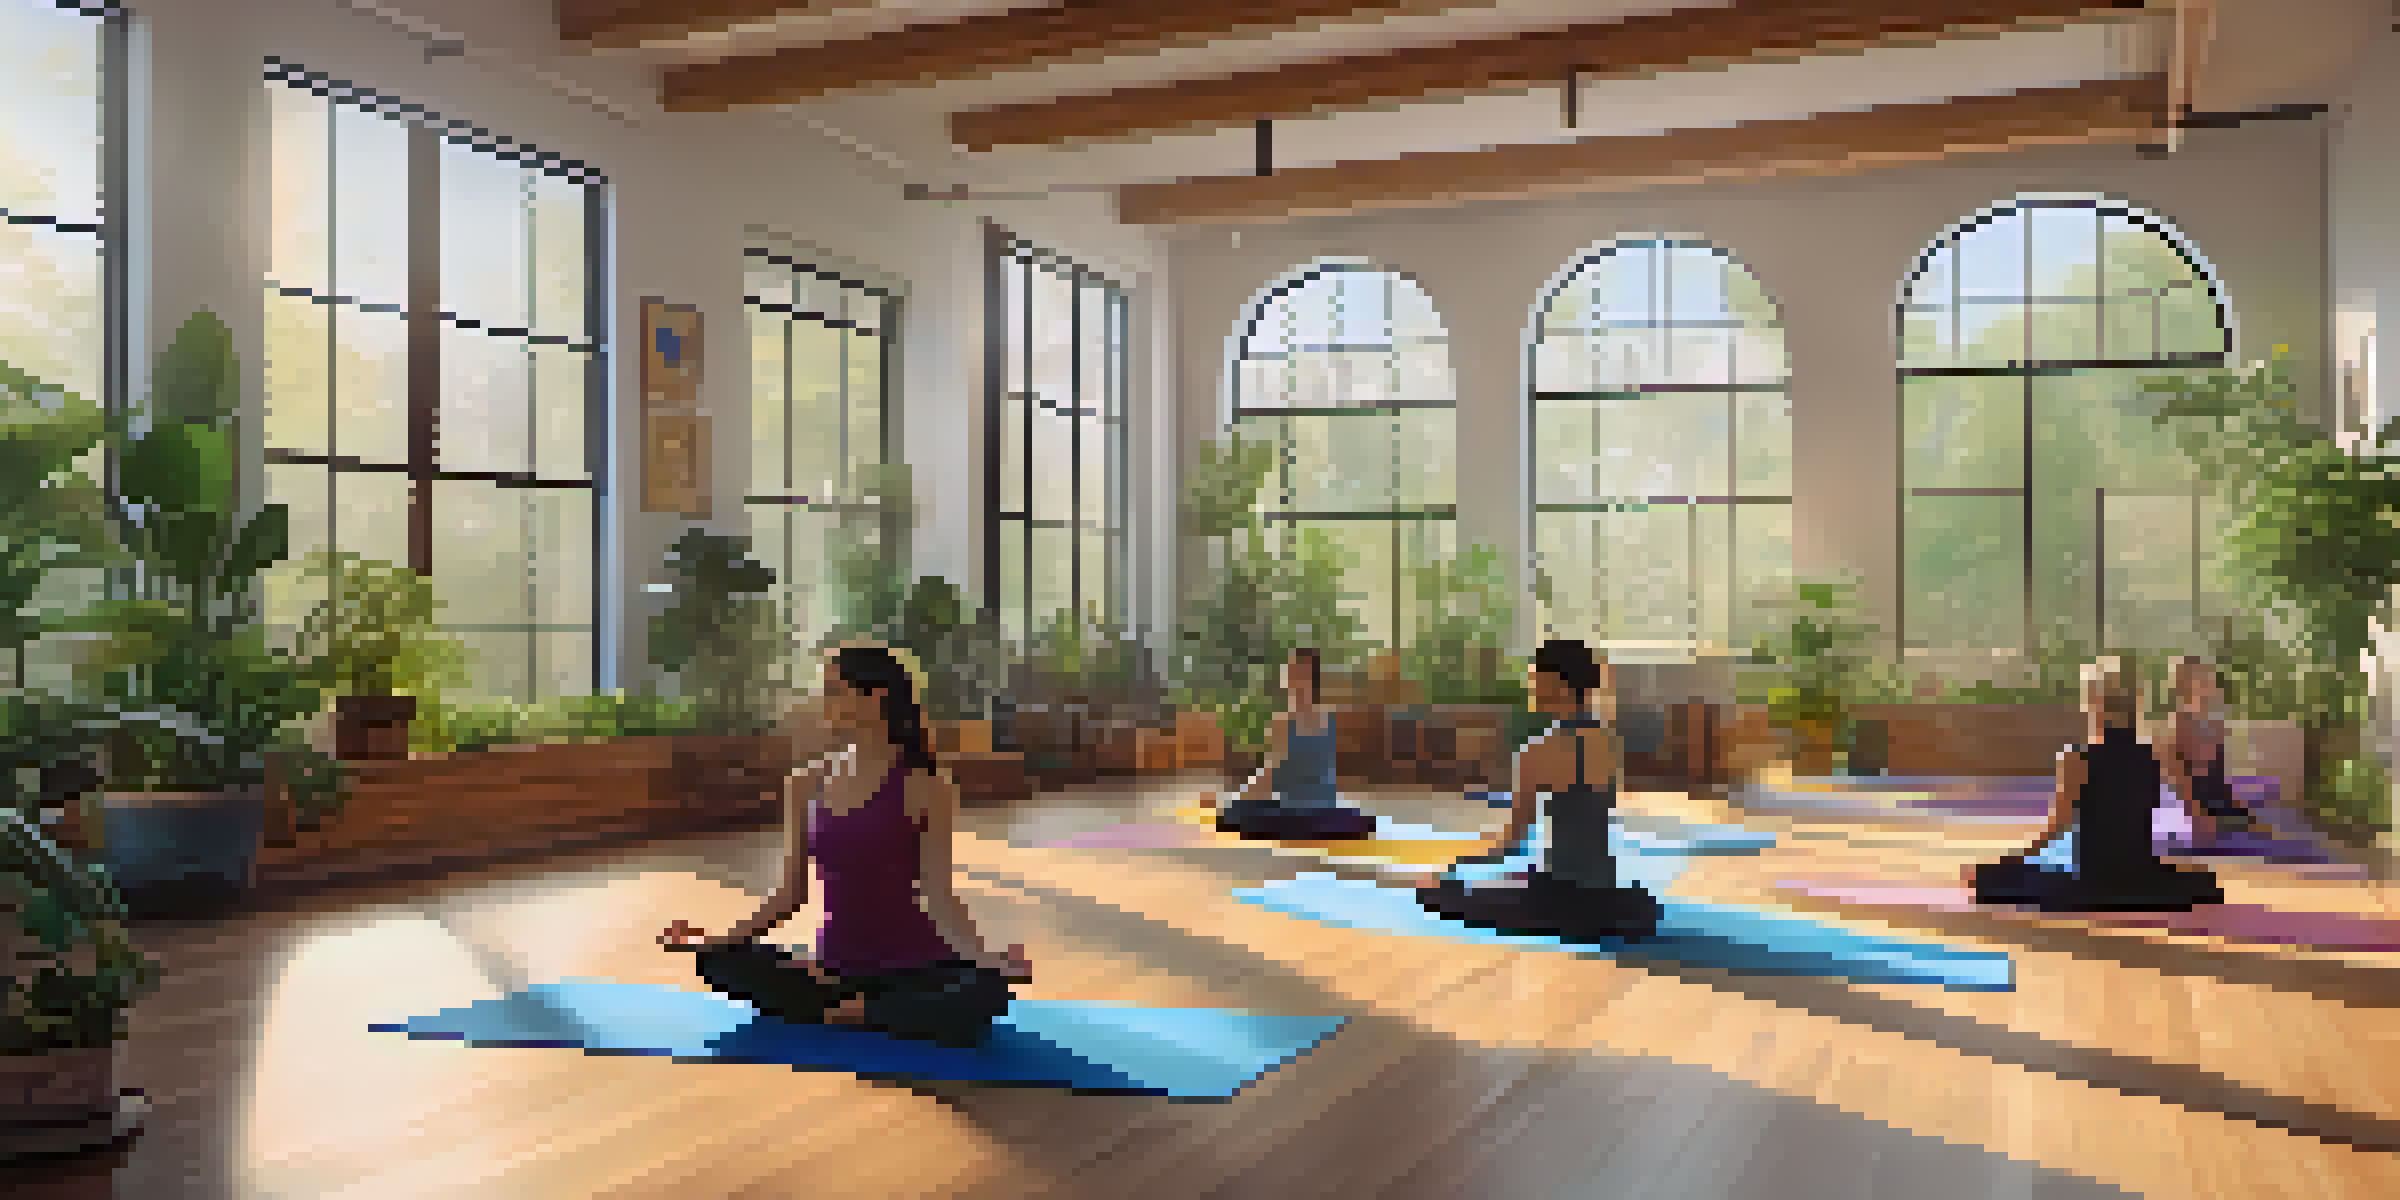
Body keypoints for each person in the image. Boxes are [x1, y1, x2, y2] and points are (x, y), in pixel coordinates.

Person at [659, 642, 1032, 1049]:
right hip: (832, 967)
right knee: (718, 962)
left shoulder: (927, 786)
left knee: (988, 992)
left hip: (917, 963)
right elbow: (788, 895)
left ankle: (860, 1011)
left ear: (876, 696)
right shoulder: (805, 782)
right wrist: (719, 938)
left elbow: (940, 896)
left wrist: (984, 958)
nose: (823, 701)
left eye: (835, 690)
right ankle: (870, 1009)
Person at [1412, 639, 1663, 943]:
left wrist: (1456, 862)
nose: (1530, 687)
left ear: (1555, 683)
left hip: (1556, 899)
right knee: (1512, 880)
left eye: (1534, 679)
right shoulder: (1609, 741)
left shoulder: (1539, 750)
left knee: (1436, 891)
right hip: (1603, 893)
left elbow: (1511, 844)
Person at [1969, 657, 2225, 912]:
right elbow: (2184, 819)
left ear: (2095, 703)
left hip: (2094, 878)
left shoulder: (2077, 758)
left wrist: (2012, 861)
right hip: (2140, 874)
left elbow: (2057, 829)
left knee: (1988, 879)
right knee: (2201, 882)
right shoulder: (2157, 754)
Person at [1214, 648, 1377, 840]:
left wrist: (1236, 800)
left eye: (1292, 669)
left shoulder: (1282, 722)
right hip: (1326, 810)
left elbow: (1270, 776)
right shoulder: (1328, 718)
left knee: (1232, 815)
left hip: (1297, 813)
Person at [2162, 656, 2257, 841]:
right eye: (2201, 678)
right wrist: (2196, 814)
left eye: (2208, 677)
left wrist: (2235, 802)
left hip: (2215, 796)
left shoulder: (2214, 721)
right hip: (2194, 801)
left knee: (2256, 827)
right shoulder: (2178, 722)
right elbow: (2176, 775)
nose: (2209, 682)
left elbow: (2217, 774)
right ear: (2183, 684)